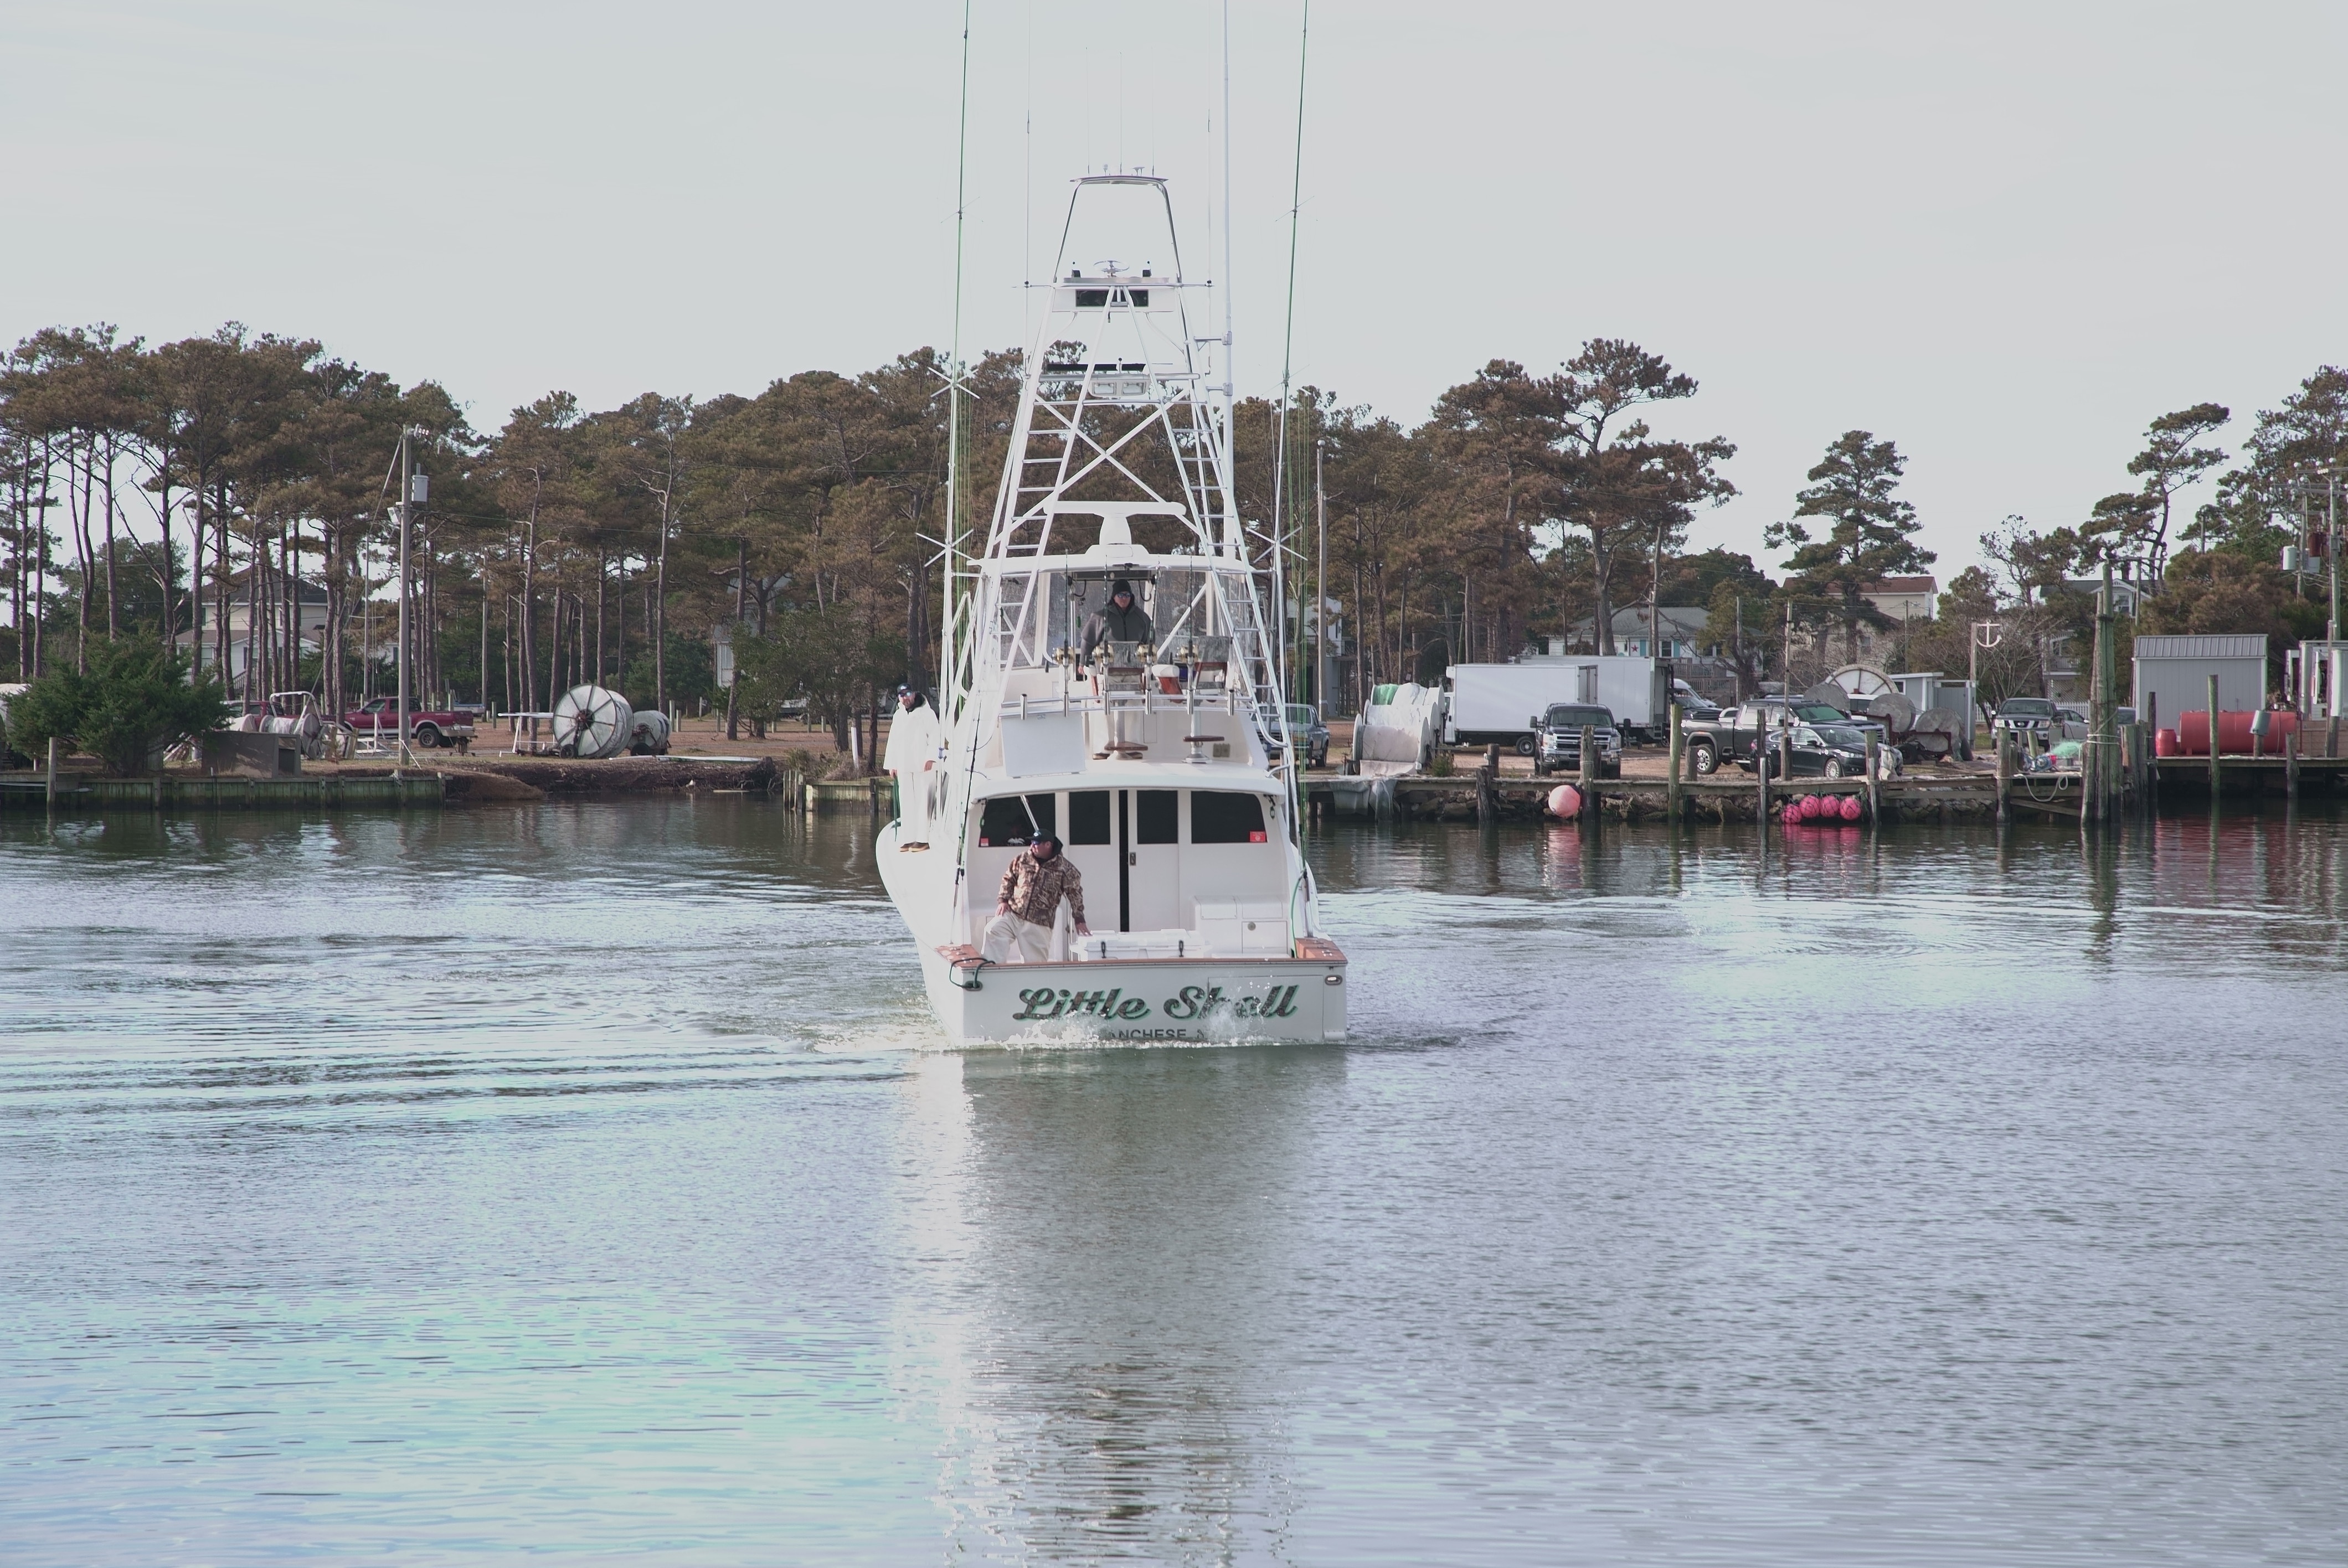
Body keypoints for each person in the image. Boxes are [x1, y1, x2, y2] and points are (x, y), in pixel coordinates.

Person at [981, 835, 1090, 963]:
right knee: (993, 930)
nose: (1032, 845)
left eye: (1036, 843)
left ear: (1048, 845)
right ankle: (993, 973)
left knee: (1035, 965)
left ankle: (1035, 982)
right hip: (1014, 914)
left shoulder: (1065, 869)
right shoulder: (1023, 859)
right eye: (1032, 842)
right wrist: (1003, 900)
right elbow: (1009, 878)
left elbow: (1075, 894)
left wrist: (1079, 918)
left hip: (1039, 922)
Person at [882, 687, 941, 849]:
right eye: (901, 695)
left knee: (923, 802)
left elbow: (935, 736)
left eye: (908, 694)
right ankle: (909, 837)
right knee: (907, 802)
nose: (905, 698)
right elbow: (893, 741)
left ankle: (923, 839)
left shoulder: (926, 714)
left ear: (914, 694)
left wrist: (931, 757)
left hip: (922, 765)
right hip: (904, 765)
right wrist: (892, 764)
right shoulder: (899, 715)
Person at [1078, 580, 1153, 666]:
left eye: (1127, 595)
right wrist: (1082, 663)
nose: (1124, 598)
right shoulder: (1101, 617)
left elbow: (1150, 643)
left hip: (1136, 670)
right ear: (1114, 597)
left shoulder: (1142, 618)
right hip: (1107, 669)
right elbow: (1087, 641)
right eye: (1121, 595)